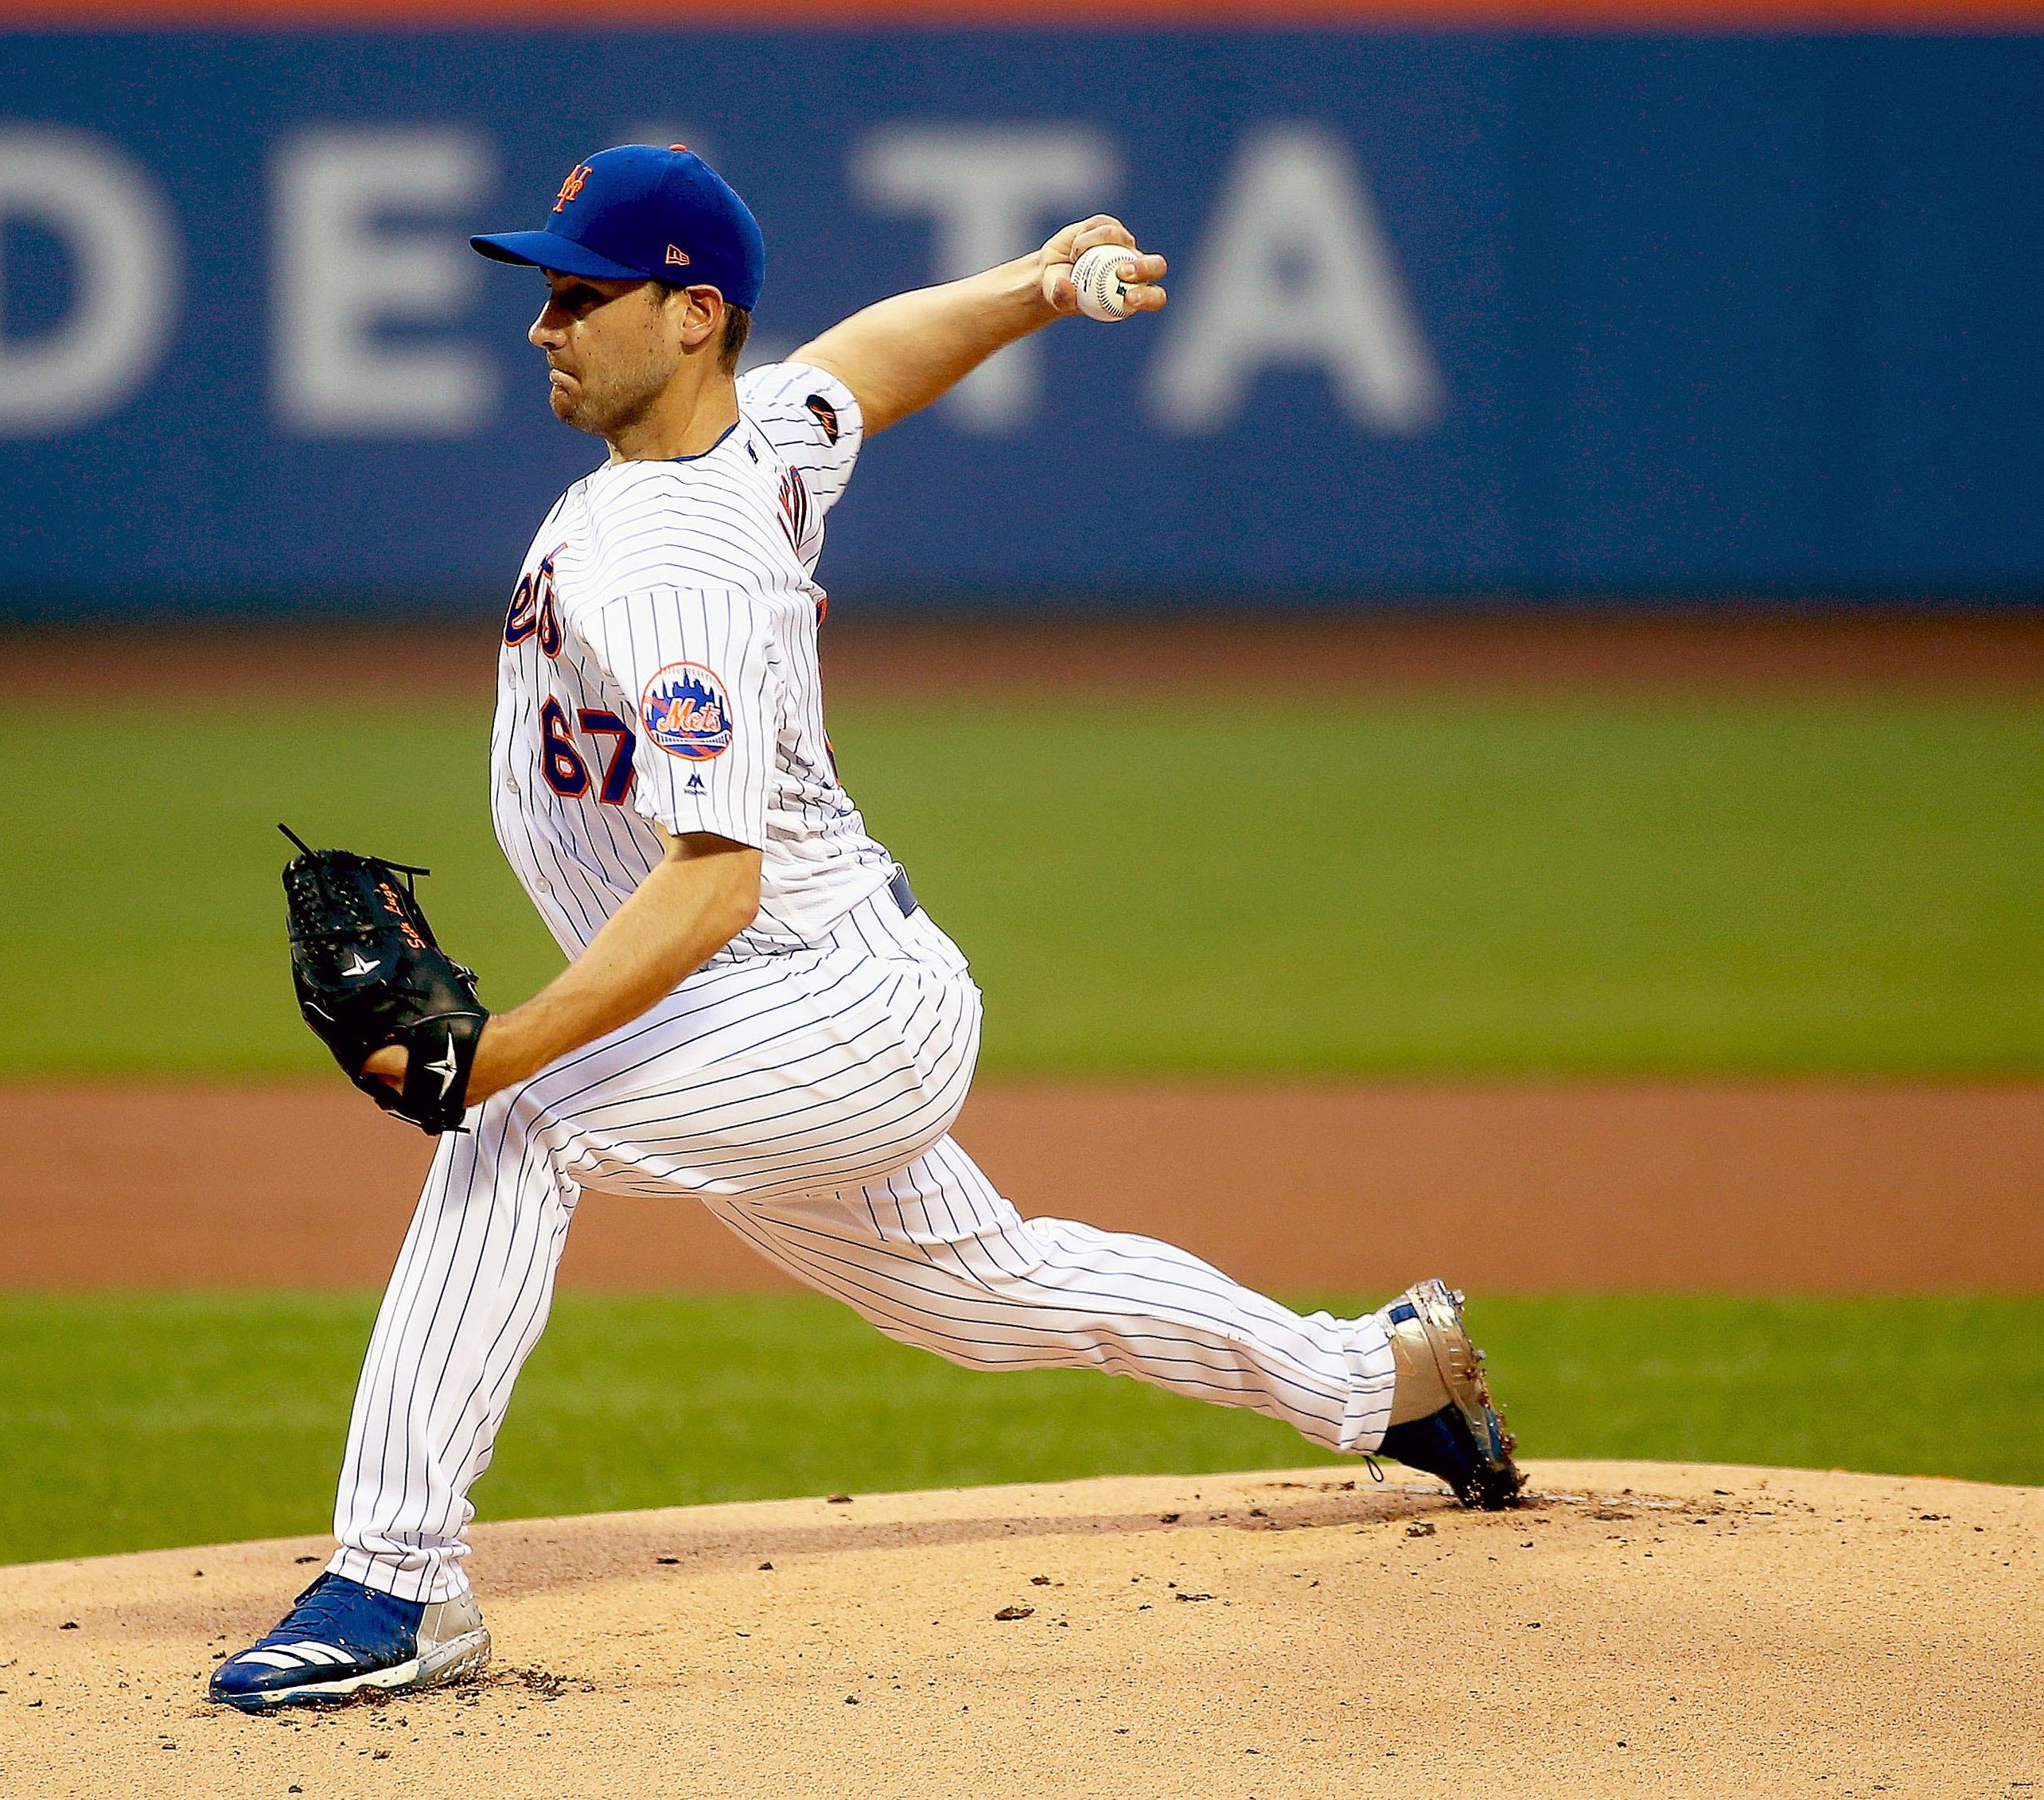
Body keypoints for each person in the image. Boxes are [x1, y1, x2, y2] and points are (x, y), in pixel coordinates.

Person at [210, 145, 1520, 1712]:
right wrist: (1029, 287)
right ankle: (1378, 1378)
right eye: (541, 292)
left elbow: (713, 881)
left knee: (514, 1132)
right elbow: (857, 367)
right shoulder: (744, 438)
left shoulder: (684, 564)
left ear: (689, 314)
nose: (541, 324)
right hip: (775, 1003)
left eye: (577, 293)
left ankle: (397, 1585)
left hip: (822, 999)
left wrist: (493, 1057)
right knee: (987, 1294)